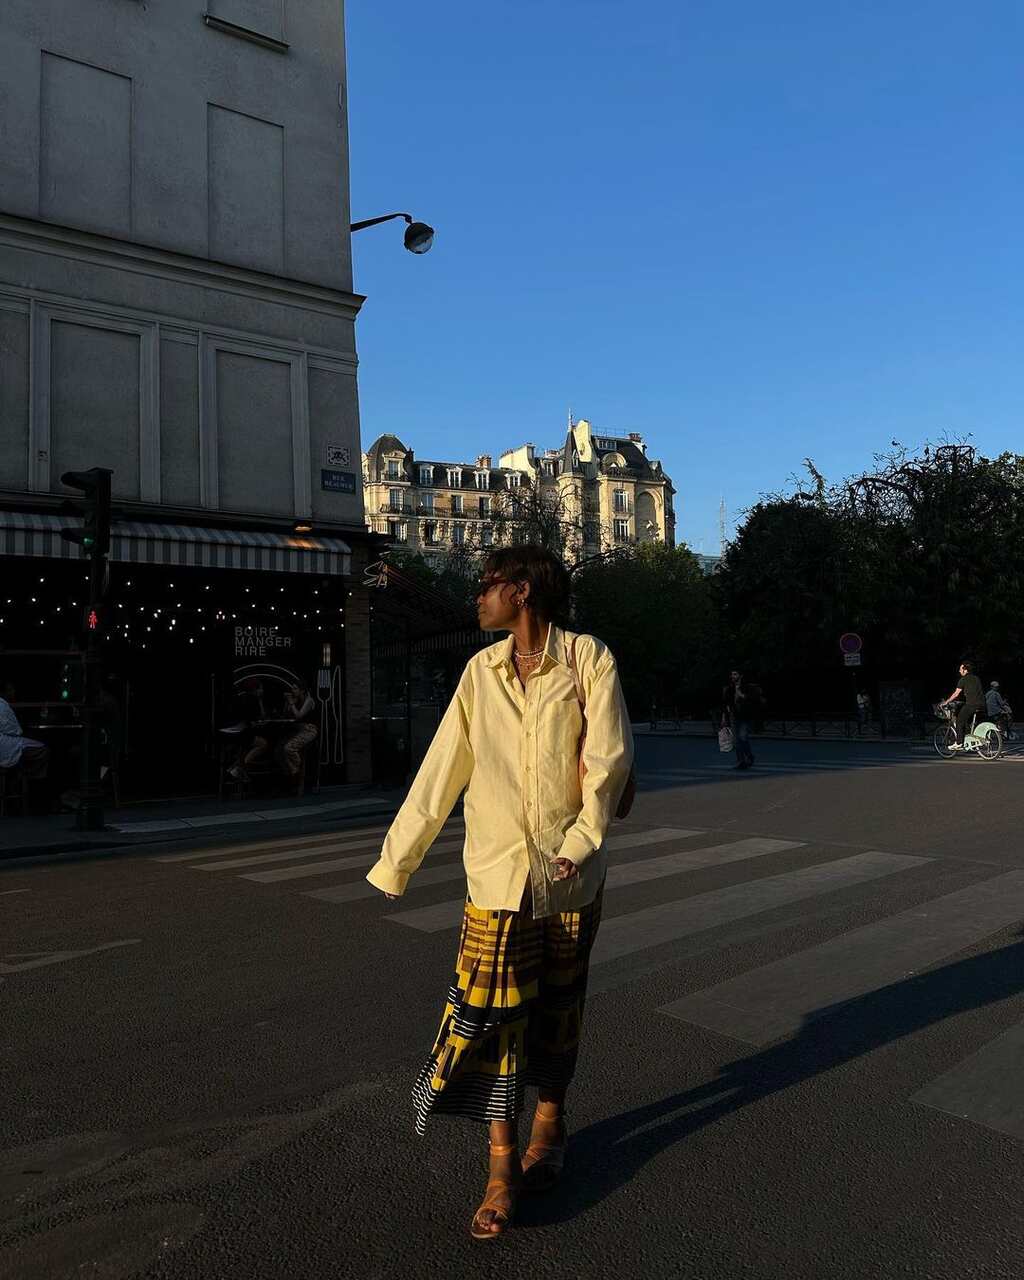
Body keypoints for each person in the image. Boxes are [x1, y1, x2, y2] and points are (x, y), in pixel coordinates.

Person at [365, 544, 633, 1240]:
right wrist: (398, 860)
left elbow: (608, 762)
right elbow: (441, 768)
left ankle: (550, 1120)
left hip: (572, 879)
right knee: (488, 1021)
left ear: (522, 592)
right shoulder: (479, 672)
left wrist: (578, 845)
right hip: (496, 878)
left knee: (559, 1009)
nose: (477, 600)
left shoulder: (587, 660)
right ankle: (500, 1167)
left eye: (487, 587)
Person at [0, 682, 50, 781]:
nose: (13, 692)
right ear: (4, 692)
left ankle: (20, 779)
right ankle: (30, 780)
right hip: (4, 744)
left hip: (5, 741)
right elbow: (13, 730)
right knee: (43, 750)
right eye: (11, 690)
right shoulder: (2, 705)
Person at [276, 680, 318, 782]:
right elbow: (285, 713)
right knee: (279, 748)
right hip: (296, 729)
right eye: (292, 688)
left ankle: (296, 768)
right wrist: (288, 702)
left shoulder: (309, 700)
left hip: (309, 730)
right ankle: (292, 771)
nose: (292, 691)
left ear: (302, 690)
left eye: (295, 688)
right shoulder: (296, 700)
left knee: (288, 748)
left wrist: (291, 703)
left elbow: (299, 716)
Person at [939, 660, 986, 748]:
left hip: (972, 704)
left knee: (959, 721)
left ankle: (959, 742)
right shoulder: (976, 678)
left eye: (960, 669)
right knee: (965, 718)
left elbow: (956, 694)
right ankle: (968, 737)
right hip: (982, 704)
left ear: (965, 670)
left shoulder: (963, 680)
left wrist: (946, 702)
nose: (959, 671)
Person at [721, 669, 755, 769]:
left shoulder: (747, 687)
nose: (733, 676)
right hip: (733, 716)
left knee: (743, 737)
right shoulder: (729, 688)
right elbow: (725, 704)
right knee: (736, 741)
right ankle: (741, 761)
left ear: (740, 676)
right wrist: (724, 717)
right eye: (732, 674)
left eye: (735, 674)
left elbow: (752, 700)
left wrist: (742, 696)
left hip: (745, 716)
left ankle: (749, 756)